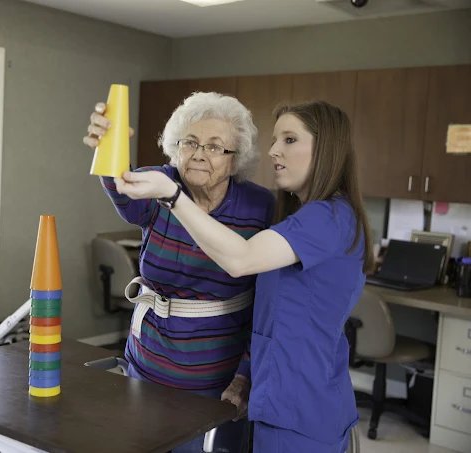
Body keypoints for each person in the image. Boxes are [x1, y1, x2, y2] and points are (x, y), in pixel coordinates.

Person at [111, 100, 374, 453]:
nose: (274, 150)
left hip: (300, 400)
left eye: (289, 139)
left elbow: (240, 259)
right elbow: (263, 310)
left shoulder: (328, 218)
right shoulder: (300, 217)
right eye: (275, 139)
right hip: (273, 393)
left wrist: (172, 196)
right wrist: (111, 152)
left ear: (327, 149)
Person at [84, 92, 275, 452]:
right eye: (190, 142)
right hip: (145, 366)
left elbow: (263, 302)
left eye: (215, 146)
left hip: (214, 382)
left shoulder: (258, 206)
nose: (199, 153)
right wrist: (108, 144)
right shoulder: (162, 183)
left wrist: (244, 376)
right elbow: (122, 185)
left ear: (236, 159)